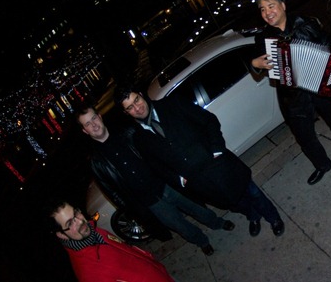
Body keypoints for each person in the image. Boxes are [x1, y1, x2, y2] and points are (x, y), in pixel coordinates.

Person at [113, 84, 285, 238]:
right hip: (199, 181)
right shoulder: (140, 139)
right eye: (130, 107)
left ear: (141, 94)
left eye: (136, 100)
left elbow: (209, 120)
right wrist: (179, 179)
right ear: (126, 113)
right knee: (232, 202)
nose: (138, 108)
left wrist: (217, 150)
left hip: (219, 163)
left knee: (251, 191)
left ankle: (273, 217)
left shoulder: (172, 104)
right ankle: (253, 216)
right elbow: (157, 167)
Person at [75, 104, 235, 256]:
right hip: (149, 202)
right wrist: (134, 208)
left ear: (100, 116)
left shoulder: (127, 132)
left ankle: (217, 222)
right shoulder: (96, 162)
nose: (94, 125)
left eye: (93, 118)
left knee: (194, 206)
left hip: (165, 183)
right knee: (178, 225)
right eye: (88, 124)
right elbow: (112, 192)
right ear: (84, 130)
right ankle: (201, 241)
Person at [250, 0, 331, 186]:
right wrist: (255, 64)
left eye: (271, 6)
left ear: (283, 5)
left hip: (320, 85)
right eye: (262, 9)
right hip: (292, 96)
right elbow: (256, 62)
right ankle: (322, 164)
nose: (267, 13)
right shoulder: (264, 38)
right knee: (304, 136)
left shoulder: (306, 23)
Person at [45, 199, 175, 282]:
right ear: (61, 235)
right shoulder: (89, 273)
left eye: (76, 213)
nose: (79, 221)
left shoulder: (94, 231)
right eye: (70, 223)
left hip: (161, 274)